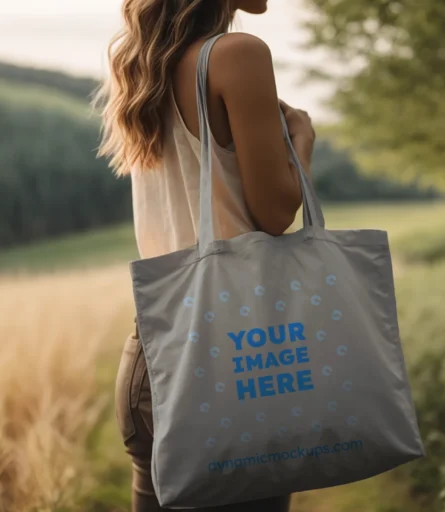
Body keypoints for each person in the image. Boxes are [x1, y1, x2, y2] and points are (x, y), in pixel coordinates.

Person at [95, 1, 316, 510]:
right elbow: (276, 212)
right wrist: (300, 144)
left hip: (152, 359)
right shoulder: (237, 55)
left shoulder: (141, 62)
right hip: (238, 357)